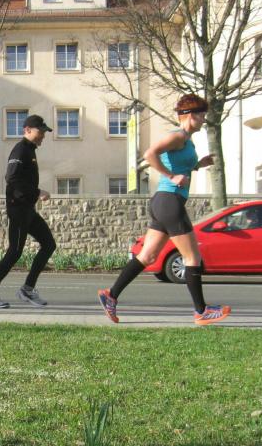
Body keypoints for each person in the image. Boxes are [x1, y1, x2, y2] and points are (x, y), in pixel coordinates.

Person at [97, 93, 231, 325]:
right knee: (192, 256)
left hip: (163, 202)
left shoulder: (186, 140)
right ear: (189, 115)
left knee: (147, 256)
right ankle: (201, 311)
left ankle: (111, 295)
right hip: (169, 202)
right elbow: (150, 154)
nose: (204, 119)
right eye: (201, 115)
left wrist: (198, 165)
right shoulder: (178, 136)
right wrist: (171, 176)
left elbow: (179, 165)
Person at [0, 115, 56, 308]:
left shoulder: (30, 150)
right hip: (18, 209)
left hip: (28, 209)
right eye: (40, 131)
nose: (43, 135)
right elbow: (11, 179)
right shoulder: (20, 150)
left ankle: (27, 289)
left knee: (49, 244)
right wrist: (37, 192)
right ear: (27, 130)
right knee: (14, 252)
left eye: (44, 132)